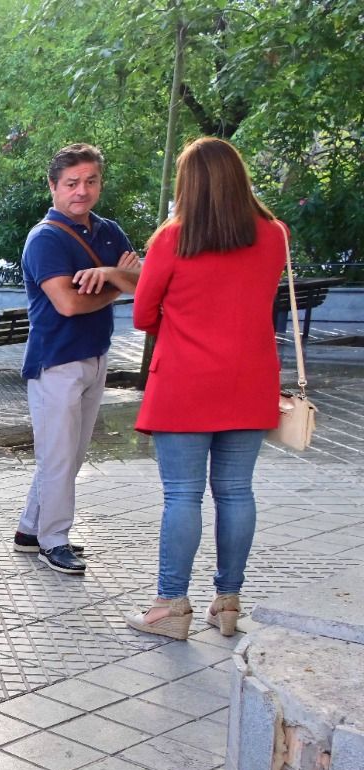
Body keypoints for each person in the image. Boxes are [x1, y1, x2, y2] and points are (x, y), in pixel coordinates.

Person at [125, 137, 286, 639]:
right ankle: (229, 600)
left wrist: (186, 319)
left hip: (184, 384)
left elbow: (142, 314)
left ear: (187, 185)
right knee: (237, 492)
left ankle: (171, 605)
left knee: (183, 496)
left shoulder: (172, 240)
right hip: (251, 380)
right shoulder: (274, 234)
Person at [17, 143, 141, 576]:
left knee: (69, 451)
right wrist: (116, 283)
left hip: (96, 352)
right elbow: (68, 304)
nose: (81, 191)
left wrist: (108, 276)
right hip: (56, 361)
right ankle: (55, 540)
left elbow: (139, 281)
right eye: (71, 184)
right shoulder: (46, 238)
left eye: (90, 181)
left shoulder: (109, 230)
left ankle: (30, 529)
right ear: (53, 186)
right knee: (59, 455)